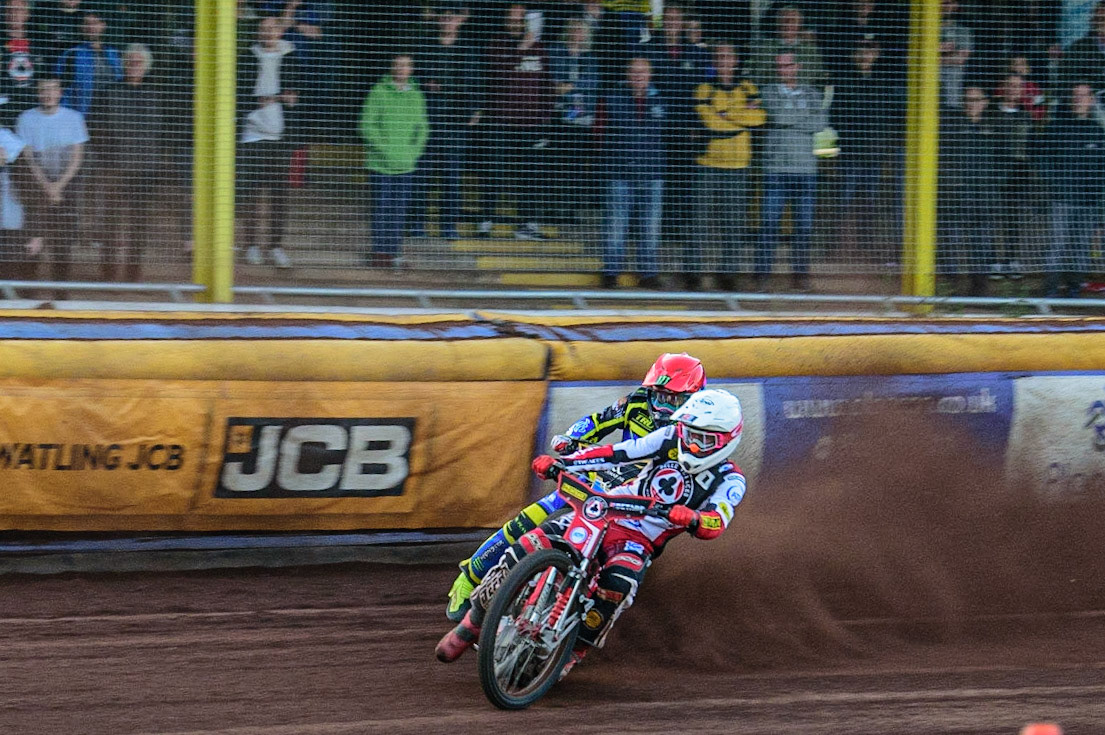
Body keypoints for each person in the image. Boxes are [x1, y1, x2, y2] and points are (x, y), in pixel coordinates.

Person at [436, 387, 748, 679]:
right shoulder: (668, 437)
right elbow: (618, 452)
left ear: (726, 441)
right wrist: (564, 463)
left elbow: (718, 520)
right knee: (529, 544)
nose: (691, 444)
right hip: (606, 510)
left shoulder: (730, 480)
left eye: (702, 440)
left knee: (619, 585)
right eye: (689, 434)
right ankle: (472, 622)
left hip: (639, 540)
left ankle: (574, 650)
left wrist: (694, 518)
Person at [444, 352, 707, 623]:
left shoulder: (703, 429)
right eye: (658, 395)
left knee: (624, 571)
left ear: (694, 397)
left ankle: (581, 630)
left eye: (672, 398)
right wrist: (571, 438)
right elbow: (596, 421)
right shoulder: (636, 402)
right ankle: (469, 577)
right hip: (604, 481)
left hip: (643, 508)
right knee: (537, 514)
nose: (662, 405)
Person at [692, 42, 765, 291]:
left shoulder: (748, 87)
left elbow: (759, 118)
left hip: (739, 165)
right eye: (719, 55)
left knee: (733, 223)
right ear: (714, 60)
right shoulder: (704, 88)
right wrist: (739, 118)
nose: (724, 59)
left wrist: (726, 113)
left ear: (735, 60)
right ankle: (693, 272)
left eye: (728, 55)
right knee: (699, 221)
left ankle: (729, 273)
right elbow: (709, 122)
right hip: (708, 163)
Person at [754, 52, 827, 293]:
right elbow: (776, 115)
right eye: (780, 66)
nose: (784, 69)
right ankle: (762, 276)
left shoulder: (813, 93)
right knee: (769, 225)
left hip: (806, 170)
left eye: (788, 65)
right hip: (775, 168)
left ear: (798, 66)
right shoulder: (767, 91)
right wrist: (801, 118)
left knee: (803, 226)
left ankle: (800, 277)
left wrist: (788, 120)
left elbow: (820, 124)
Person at [237, 14, 298, 269]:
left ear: (280, 31)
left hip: (280, 136)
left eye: (272, 27)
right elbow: (241, 95)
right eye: (263, 29)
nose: (268, 32)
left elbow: (295, 97)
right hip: (252, 135)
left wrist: (276, 98)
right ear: (258, 34)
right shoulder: (248, 58)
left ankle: (275, 246)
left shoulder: (291, 57)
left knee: (279, 195)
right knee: (251, 194)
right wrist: (273, 98)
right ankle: (250, 244)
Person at [600, 56, 665, 290]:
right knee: (616, 224)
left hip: (652, 172)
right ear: (627, 75)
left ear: (650, 75)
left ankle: (648, 274)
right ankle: (610, 272)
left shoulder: (661, 99)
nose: (638, 76)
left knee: (650, 226)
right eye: (634, 72)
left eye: (643, 72)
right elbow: (602, 133)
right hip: (620, 170)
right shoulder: (613, 98)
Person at [15, 75, 86, 288]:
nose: (47, 94)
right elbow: (27, 157)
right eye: (43, 89)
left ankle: (61, 294)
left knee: (62, 244)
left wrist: (59, 186)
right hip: (36, 191)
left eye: (52, 89)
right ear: (38, 92)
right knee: (33, 241)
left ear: (60, 93)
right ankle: (29, 294)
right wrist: (46, 186)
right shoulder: (25, 118)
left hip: (66, 190)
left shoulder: (74, 118)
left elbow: (77, 156)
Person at [359, 53, 428, 269]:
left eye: (406, 65)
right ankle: (380, 252)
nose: (401, 69)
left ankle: (395, 251)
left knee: (399, 209)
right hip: (381, 165)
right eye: (397, 65)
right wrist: (385, 149)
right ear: (391, 68)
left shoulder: (417, 95)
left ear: (412, 69)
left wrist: (413, 153)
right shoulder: (378, 92)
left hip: (405, 165)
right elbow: (366, 125)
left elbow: (423, 129)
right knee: (382, 208)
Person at [1042, 83, 1105, 298]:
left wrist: (1097, 194)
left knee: (1082, 246)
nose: (1078, 99)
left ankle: (1074, 289)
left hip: (1088, 200)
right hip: (1063, 197)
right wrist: (1054, 183)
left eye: (1083, 95)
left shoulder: (1098, 131)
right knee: (1057, 244)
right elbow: (1044, 158)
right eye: (1075, 95)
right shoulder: (1058, 128)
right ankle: (1050, 289)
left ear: (1090, 100)